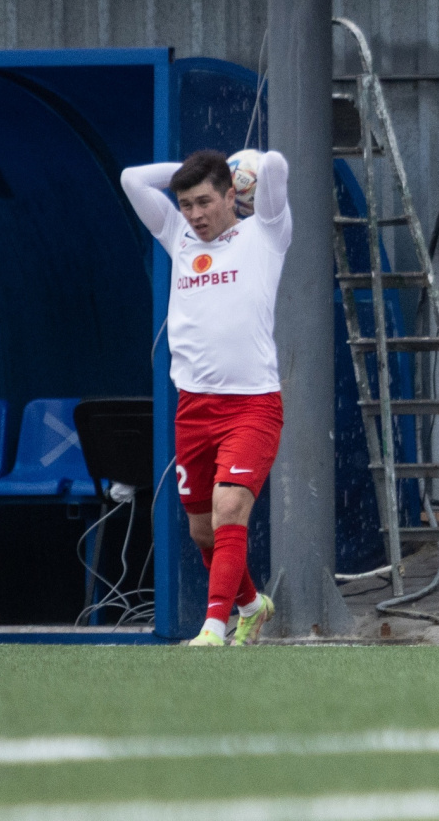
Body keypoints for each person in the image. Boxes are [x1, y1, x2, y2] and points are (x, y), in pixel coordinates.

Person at [121, 149, 290, 647]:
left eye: (204, 202)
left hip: (252, 405)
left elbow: (277, 166)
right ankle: (251, 606)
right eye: (186, 203)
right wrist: (192, 166)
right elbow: (132, 178)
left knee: (229, 508)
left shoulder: (265, 233)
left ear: (231, 194)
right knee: (203, 532)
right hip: (194, 408)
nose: (194, 214)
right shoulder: (178, 236)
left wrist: (251, 162)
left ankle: (213, 630)